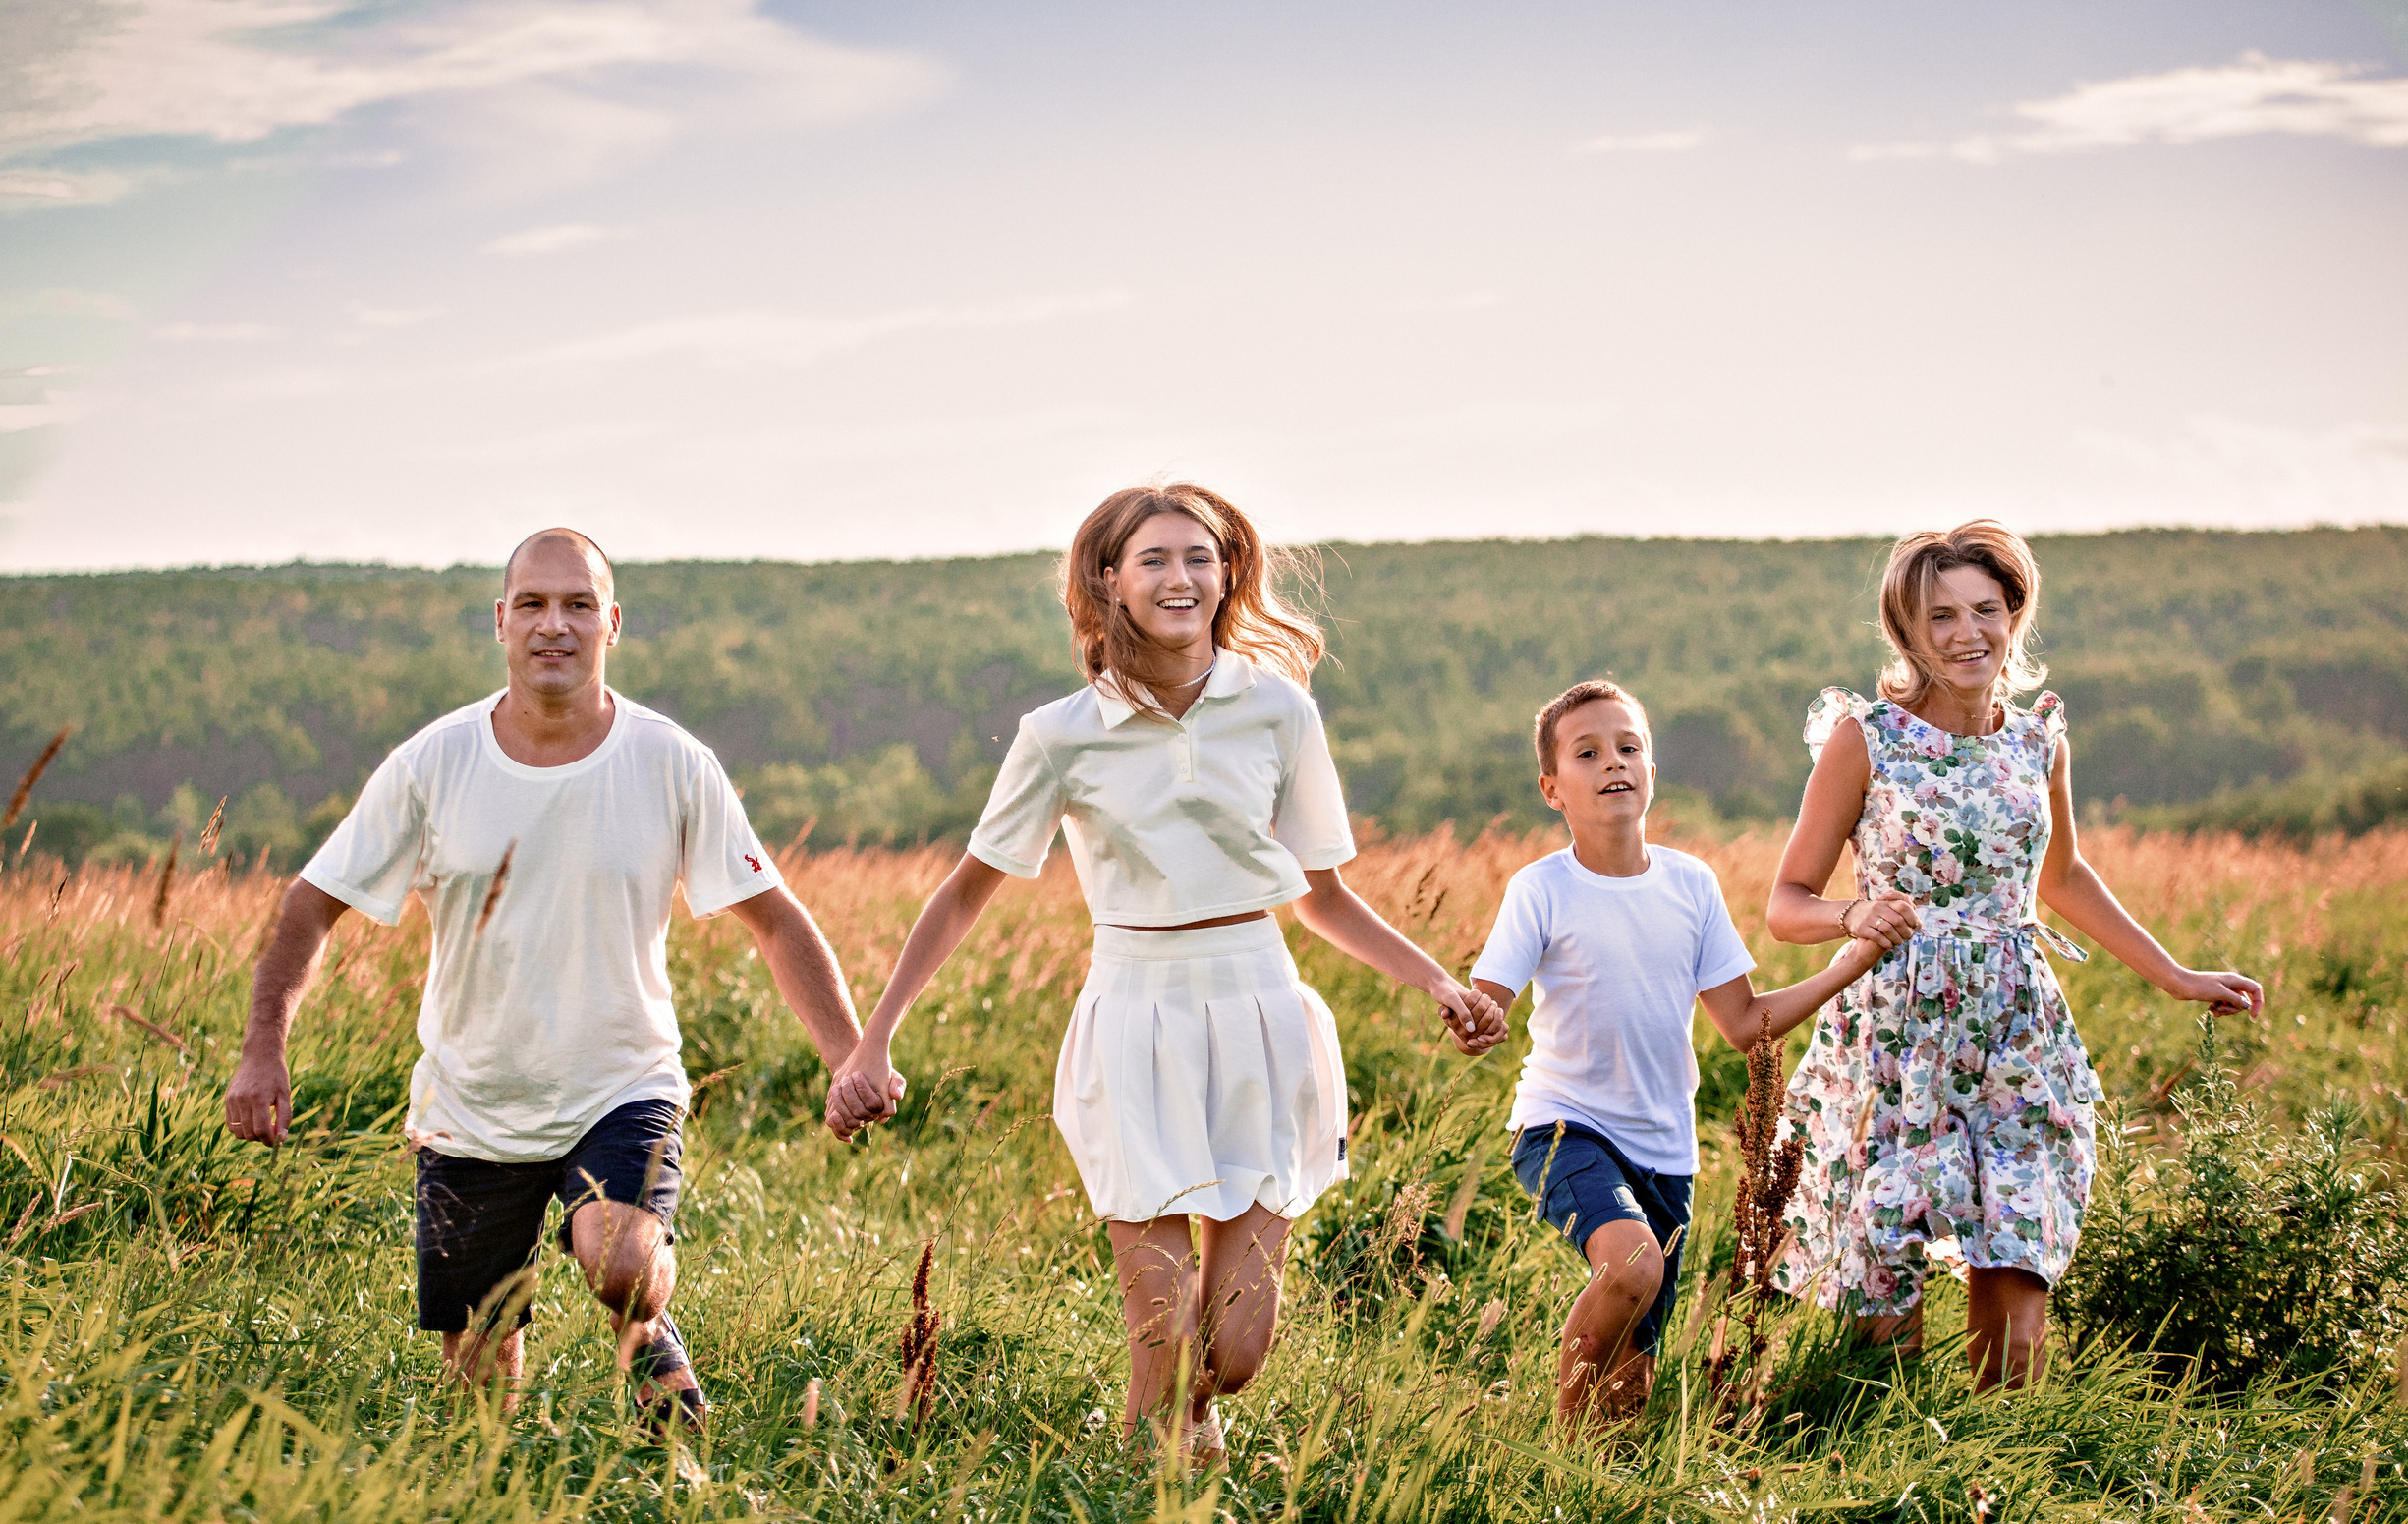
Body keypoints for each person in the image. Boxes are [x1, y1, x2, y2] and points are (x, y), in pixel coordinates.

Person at [823, 483, 1507, 1464]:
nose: (1180, 577)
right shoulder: (1059, 735)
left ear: (1229, 573)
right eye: (1152, 559)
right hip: (1134, 1015)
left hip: (1259, 1007)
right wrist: (873, 1039)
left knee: (1231, 1349)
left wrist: (1440, 982)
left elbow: (1323, 895)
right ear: (1108, 580)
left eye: (1200, 556)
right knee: (1164, 1336)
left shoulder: (1277, 710)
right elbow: (966, 893)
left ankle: (1194, 1427)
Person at [222, 528, 878, 1430]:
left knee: (621, 1261)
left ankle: (649, 1337)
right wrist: (265, 1047)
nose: (553, 625)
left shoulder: (670, 760)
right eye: (532, 604)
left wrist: (847, 1055)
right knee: (482, 1397)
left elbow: (773, 917)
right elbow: (309, 904)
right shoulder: (433, 763)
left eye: (577, 605)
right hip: (472, 1099)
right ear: (500, 622)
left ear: (612, 621)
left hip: (621, 1081)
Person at [1765, 521, 2265, 1389]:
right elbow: (1786, 904)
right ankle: (1886, 1479)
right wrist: (1854, 914)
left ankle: (2003, 1482)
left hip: (2017, 1031)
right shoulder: (1866, 739)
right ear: (1908, 632)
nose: (1967, 634)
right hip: (1896, 1035)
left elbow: (2063, 876)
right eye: (1941, 616)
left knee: (2020, 1279)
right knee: (1882, 1314)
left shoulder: (2039, 741)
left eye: (1985, 610)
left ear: (2014, 614)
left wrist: (2177, 976)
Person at [1469, 680, 1884, 1432]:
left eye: (1629, 747)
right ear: (1552, 788)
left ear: (1652, 773)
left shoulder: (1692, 885)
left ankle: (1595, 1481)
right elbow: (1490, 993)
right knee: (1632, 1264)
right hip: (1564, 1128)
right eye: (1588, 753)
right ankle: (1556, 1452)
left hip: (1667, 1152)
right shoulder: (1542, 889)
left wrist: (1847, 965)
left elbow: (1746, 1021)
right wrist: (1479, 1016)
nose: (1613, 763)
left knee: (1631, 1378)